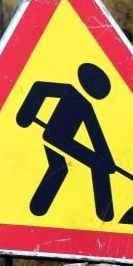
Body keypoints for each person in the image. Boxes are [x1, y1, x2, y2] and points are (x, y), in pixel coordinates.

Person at [15, 63, 116, 221]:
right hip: (55, 137)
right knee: (73, 167)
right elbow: (39, 88)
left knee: (65, 167)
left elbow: (96, 136)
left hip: (61, 140)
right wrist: (25, 115)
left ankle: (104, 214)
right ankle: (104, 213)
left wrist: (107, 160)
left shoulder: (85, 106)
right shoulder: (69, 92)